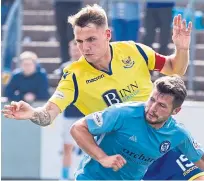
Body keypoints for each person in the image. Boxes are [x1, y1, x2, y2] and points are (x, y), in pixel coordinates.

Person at [2, 4, 204, 180]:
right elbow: (48, 115)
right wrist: (33, 113)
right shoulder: (74, 75)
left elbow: (174, 68)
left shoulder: (134, 51)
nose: (85, 48)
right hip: (122, 156)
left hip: (160, 140)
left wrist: (182, 50)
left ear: (107, 34)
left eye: (91, 39)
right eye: (79, 42)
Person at [70, 75, 204, 180]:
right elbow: (78, 128)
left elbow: (200, 159)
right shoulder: (123, 113)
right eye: (152, 100)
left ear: (176, 111)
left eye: (161, 105)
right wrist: (102, 158)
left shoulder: (178, 134)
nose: (152, 108)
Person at [54, 40, 84, 180]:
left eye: (77, 49)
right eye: (72, 48)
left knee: (89, 147)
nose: (75, 51)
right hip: (70, 112)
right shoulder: (65, 67)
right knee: (67, 146)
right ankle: (65, 176)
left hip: (87, 112)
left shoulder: (90, 65)